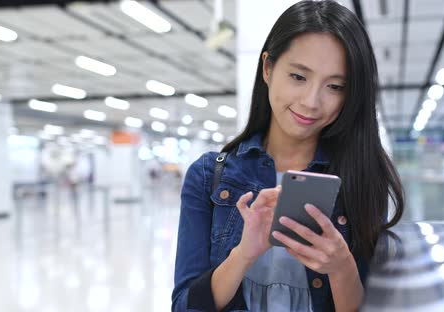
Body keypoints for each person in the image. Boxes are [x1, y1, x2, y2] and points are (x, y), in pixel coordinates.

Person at [171, 1, 405, 311]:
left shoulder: (361, 177)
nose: (311, 102)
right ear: (268, 68)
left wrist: (341, 267)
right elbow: (185, 305)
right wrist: (243, 255)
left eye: (334, 86)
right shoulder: (208, 176)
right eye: (298, 77)